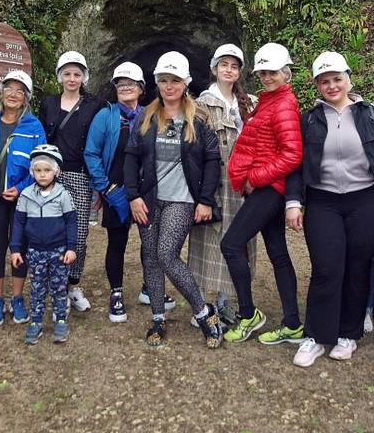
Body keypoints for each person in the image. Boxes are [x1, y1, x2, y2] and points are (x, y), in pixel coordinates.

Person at [287, 52, 374, 367]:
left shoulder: (371, 115)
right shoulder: (310, 118)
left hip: (365, 199)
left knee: (357, 268)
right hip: (323, 201)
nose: (332, 85)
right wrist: (294, 201)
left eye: (337, 78)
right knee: (327, 268)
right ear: (317, 85)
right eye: (325, 80)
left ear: (349, 78)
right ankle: (315, 336)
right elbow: (297, 164)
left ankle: (348, 334)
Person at [124, 51, 224, 348]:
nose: (169, 86)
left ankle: (204, 313)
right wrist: (133, 197)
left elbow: (211, 160)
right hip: (150, 198)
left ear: (186, 82)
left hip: (182, 199)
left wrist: (205, 199)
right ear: (157, 83)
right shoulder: (146, 116)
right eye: (164, 80)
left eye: (175, 80)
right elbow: (130, 158)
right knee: (150, 257)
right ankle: (157, 318)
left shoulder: (199, 116)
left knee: (166, 253)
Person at [221, 43, 304, 345]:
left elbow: (293, 154)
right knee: (279, 254)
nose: (267, 77)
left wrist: (254, 177)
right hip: (269, 188)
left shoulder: (283, 104)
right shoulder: (269, 101)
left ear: (285, 72)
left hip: (269, 189)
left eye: (273, 72)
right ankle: (292, 323)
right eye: (263, 72)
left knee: (231, 244)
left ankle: (248, 315)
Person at [188, 44, 258, 326]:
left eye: (234, 66)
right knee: (209, 241)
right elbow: (196, 146)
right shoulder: (203, 103)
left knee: (239, 241)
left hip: (245, 184)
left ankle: (225, 300)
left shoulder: (249, 103)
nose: (229, 70)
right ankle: (201, 304)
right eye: (224, 65)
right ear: (214, 69)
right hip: (215, 181)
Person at [0, 69, 46, 326]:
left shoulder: (33, 125)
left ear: (26, 97)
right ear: (1, 92)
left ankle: (17, 297)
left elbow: (42, 162)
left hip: (22, 198)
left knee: (20, 247)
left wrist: (22, 187)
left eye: (20, 91)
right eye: (9, 89)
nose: (13, 95)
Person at [38, 51, 104, 312]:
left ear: (84, 77)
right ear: (60, 76)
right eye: (67, 74)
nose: (72, 78)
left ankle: (73, 285)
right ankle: (57, 286)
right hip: (52, 175)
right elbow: (42, 139)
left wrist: (97, 183)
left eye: (77, 74)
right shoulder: (49, 104)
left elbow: (98, 142)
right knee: (52, 232)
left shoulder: (93, 105)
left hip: (80, 175)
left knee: (78, 234)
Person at [84, 62, 146, 323]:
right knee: (117, 243)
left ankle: (149, 288)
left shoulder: (149, 116)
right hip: (115, 190)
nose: (125, 88)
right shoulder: (105, 116)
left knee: (150, 244)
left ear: (141, 88)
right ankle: (117, 292)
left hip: (145, 191)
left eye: (130, 84)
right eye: (121, 84)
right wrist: (106, 188)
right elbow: (92, 153)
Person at [10, 145, 78, 345]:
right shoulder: (26, 196)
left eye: (47, 170)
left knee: (59, 288)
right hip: (35, 251)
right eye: (38, 170)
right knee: (37, 288)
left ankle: (61, 320)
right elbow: (19, 223)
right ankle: (36, 322)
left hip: (58, 251)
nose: (42, 175)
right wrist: (15, 249)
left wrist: (72, 247)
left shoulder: (63, 195)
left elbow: (71, 222)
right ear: (32, 172)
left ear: (55, 171)